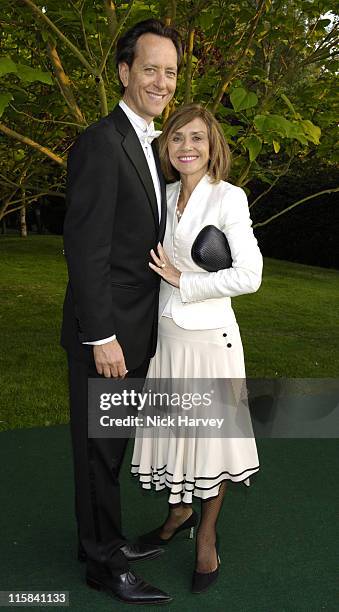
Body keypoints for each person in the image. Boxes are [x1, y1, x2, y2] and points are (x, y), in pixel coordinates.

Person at [61, 19, 182, 605]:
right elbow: (86, 250)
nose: (162, 81)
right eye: (151, 68)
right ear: (124, 71)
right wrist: (100, 335)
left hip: (138, 329)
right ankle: (104, 565)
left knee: (110, 448)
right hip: (108, 335)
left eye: (171, 72)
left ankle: (100, 542)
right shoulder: (100, 142)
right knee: (97, 453)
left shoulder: (150, 146)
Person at [131, 103, 263, 593]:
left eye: (198, 139)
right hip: (166, 339)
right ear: (166, 147)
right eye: (177, 137)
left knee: (209, 442)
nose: (187, 147)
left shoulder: (229, 198)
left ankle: (206, 535)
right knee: (176, 434)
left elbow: (250, 276)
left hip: (210, 340)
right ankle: (179, 514)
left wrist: (186, 282)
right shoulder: (160, 196)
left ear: (213, 149)